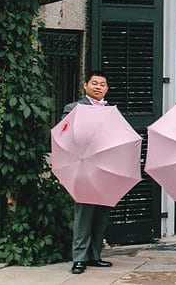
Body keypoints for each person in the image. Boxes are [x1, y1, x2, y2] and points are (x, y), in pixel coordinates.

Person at [64, 70, 114, 275]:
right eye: (94, 83)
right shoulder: (73, 108)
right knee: (84, 213)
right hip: (83, 166)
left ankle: (95, 255)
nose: (98, 87)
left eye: (102, 84)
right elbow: (66, 134)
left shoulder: (112, 110)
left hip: (105, 167)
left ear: (107, 89)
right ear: (85, 85)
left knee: (102, 213)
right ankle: (79, 258)